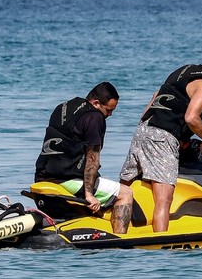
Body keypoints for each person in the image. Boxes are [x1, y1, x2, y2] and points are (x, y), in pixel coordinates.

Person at [117, 57, 202, 232]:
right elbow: (192, 117)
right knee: (163, 200)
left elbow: (157, 96)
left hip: (143, 130)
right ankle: (161, 247)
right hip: (162, 138)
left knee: (124, 188)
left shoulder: (187, 70)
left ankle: (117, 235)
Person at [34, 81, 133, 234]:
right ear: (96, 103)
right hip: (67, 180)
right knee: (125, 193)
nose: (110, 115)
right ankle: (119, 240)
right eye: (108, 110)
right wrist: (89, 194)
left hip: (42, 176)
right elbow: (92, 159)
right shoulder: (95, 118)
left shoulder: (63, 107)